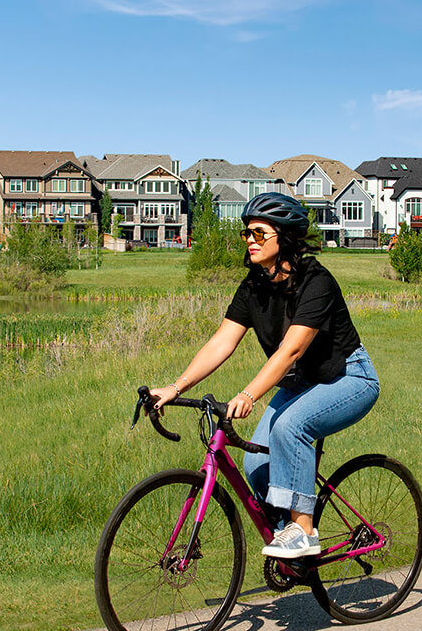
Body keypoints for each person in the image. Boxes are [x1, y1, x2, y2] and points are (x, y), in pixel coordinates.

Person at [150, 192, 380, 559]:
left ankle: (303, 532)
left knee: (291, 428)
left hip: (348, 378)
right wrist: (176, 387)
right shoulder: (253, 285)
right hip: (301, 383)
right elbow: (221, 342)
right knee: (256, 463)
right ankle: (286, 544)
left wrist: (249, 394)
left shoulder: (316, 282)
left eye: (259, 233)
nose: (250, 241)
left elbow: (291, 350)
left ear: (284, 238)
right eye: (247, 234)